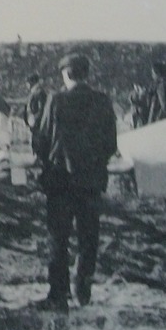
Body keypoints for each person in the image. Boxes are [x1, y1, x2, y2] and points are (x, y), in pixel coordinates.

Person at [32, 52, 119, 309]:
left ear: (67, 74)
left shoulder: (56, 101)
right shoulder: (103, 102)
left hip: (60, 182)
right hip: (91, 182)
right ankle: (84, 291)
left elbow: (41, 139)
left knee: (58, 239)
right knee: (88, 238)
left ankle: (59, 295)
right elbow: (111, 144)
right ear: (86, 74)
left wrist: (45, 157)